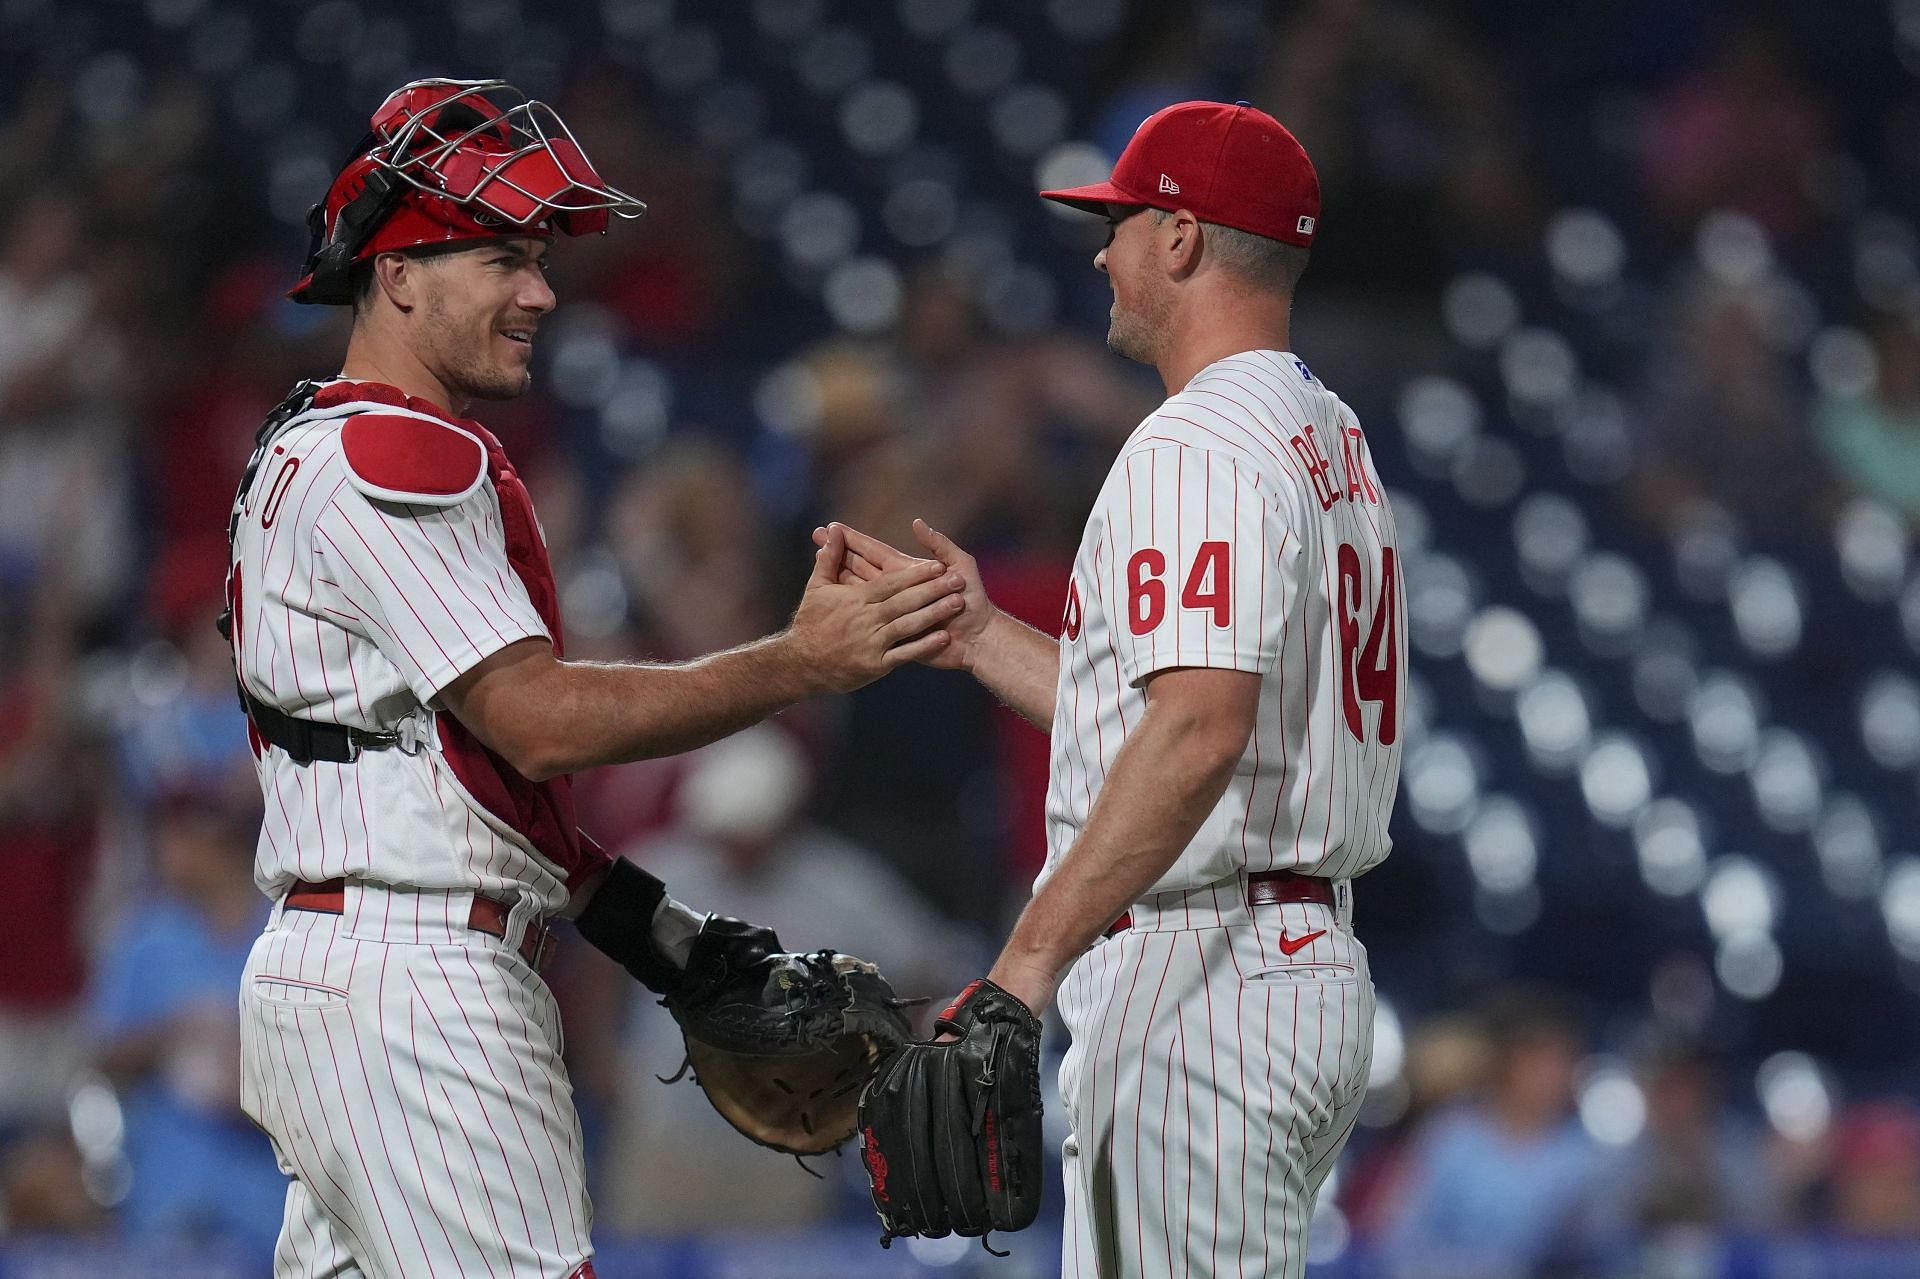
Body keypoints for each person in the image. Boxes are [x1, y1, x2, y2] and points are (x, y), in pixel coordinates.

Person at [227, 79, 961, 1279]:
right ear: (400, 274)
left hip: (350, 966)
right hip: (420, 995)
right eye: (506, 259)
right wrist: (796, 662)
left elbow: (474, 775)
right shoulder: (397, 449)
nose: (541, 293)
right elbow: (538, 719)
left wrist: (666, 941)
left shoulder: (304, 441)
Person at [823, 100, 1403, 1278]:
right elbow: (1189, 716)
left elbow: (1198, 729)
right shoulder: (1323, 430)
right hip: (1287, 951)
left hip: (1205, 971)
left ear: (1182, 241)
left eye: (1123, 223)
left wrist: (1021, 968)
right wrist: (986, 636)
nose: (1103, 252)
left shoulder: (1195, 442)